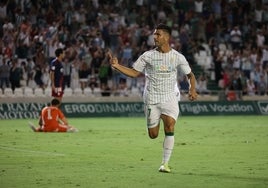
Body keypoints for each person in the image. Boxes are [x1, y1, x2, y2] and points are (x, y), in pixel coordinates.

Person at [108, 23, 198, 173]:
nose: (154, 37)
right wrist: (117, 66)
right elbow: (134, 73)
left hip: (170, 98)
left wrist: (192, 89)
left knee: (170, 126)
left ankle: (165, 164)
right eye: (154, 34)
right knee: (153, 135)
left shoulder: (177, 57)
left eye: (158, 34)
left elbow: (190, 75)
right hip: (151, 99)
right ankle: (157, 121)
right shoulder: (148, 56)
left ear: (167, 37)